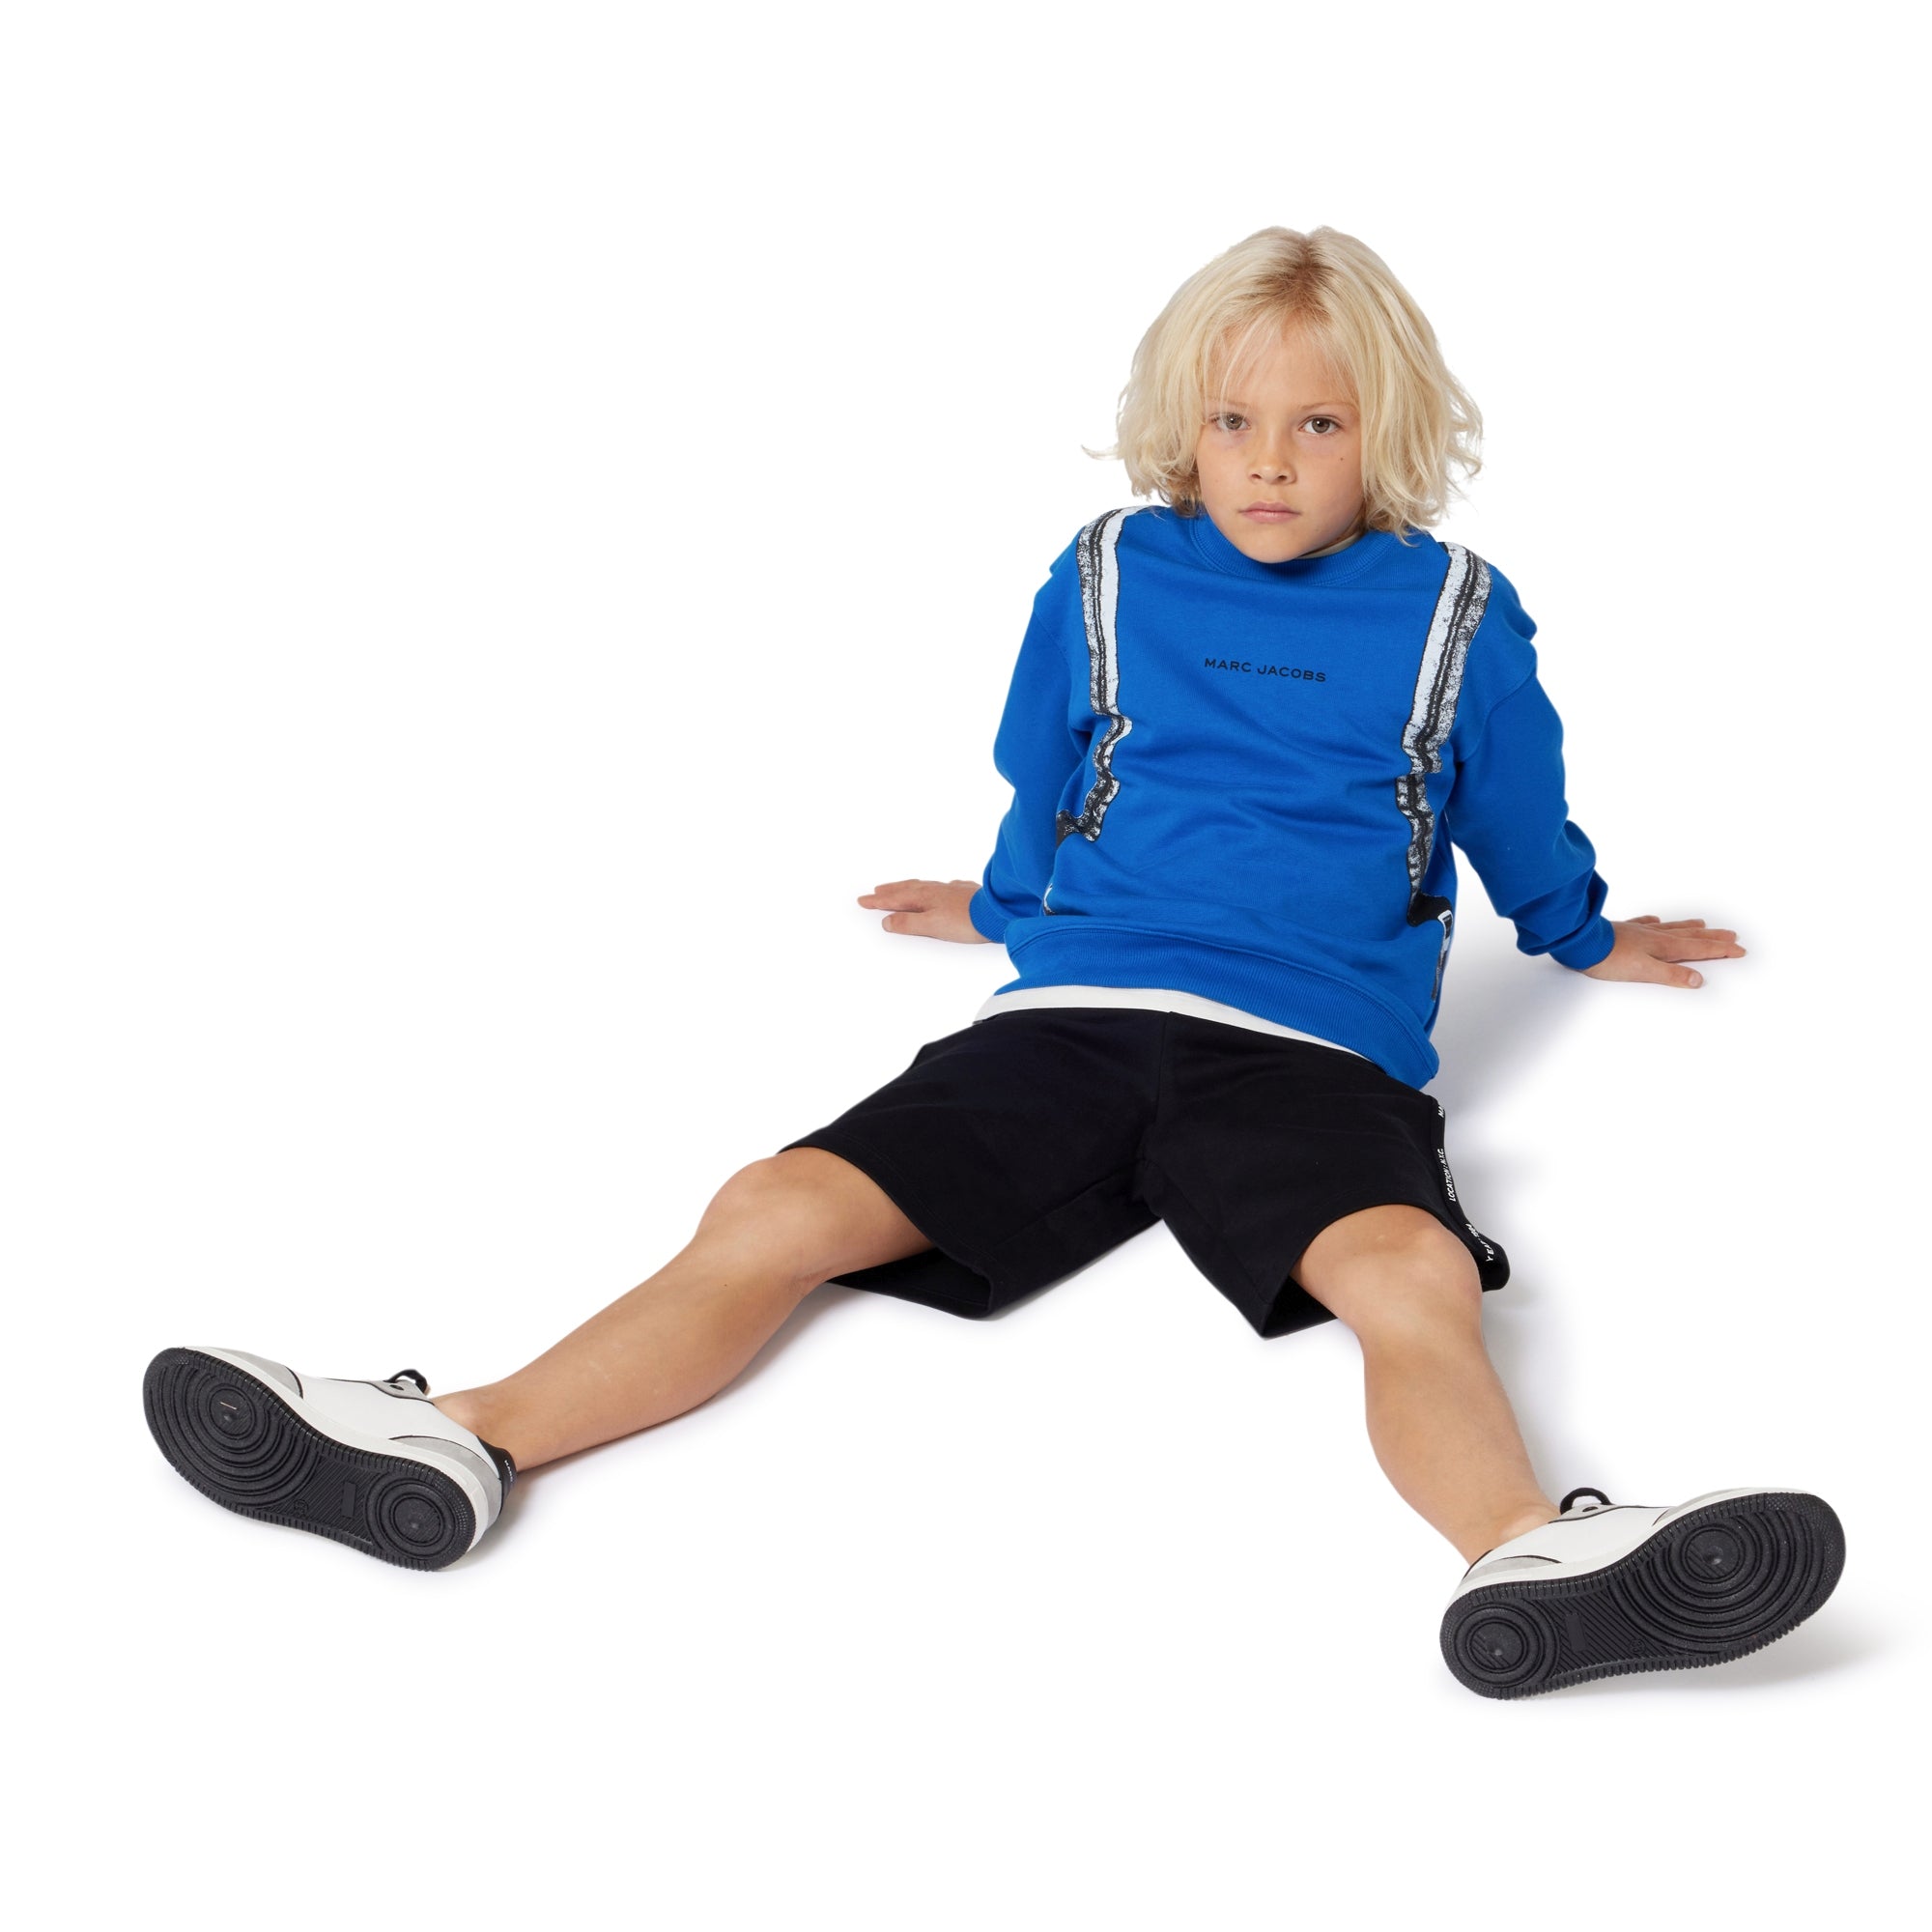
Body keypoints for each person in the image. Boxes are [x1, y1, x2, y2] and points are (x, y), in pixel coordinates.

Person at [144, 225, 1843, 1698]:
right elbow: (1049, 766)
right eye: (1233, 422)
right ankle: (466, 1436)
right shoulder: (1109, 570)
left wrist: (1579, 932)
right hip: (1075, 1015)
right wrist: (1011, 904)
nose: (1267, 462)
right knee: (776, 1206)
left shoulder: (1454, 610)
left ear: (1381, 430)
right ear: (1181, 425)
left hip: (1311, 1050)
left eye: (1316, 425)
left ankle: (1529, 1552)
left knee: (1406, 1272)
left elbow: (1514, 804)